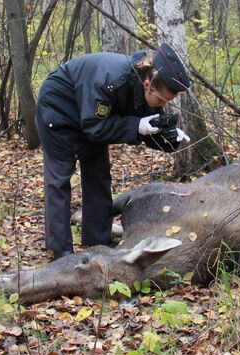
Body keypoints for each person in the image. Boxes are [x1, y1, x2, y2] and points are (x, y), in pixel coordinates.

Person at [35, 43, 191, 260]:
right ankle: (61, 250)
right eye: (162, 101)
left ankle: (97, 240)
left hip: (90, 117)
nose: (162, 105)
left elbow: (141, 126)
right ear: (148, 85)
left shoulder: (145, 87)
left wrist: (168, 137)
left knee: (98, 174)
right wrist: (137, 126)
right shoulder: (110, 81)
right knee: (59, 178)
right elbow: (94, 126)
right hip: (58, 110)